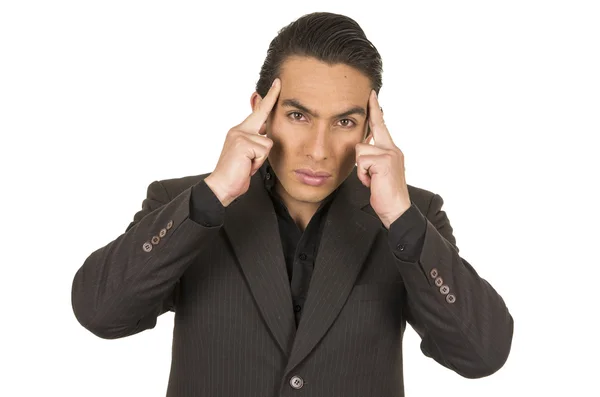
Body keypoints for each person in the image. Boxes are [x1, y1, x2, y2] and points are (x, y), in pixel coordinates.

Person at [71, 11, 513, 397]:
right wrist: (212, 196)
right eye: (298, 116)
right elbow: (101, 313)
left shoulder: (412, 216)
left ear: (367, 130)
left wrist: (399, 218)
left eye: (344, 121)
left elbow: (481, 355)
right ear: (260, 111)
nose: (318, 150)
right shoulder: (183, 204)